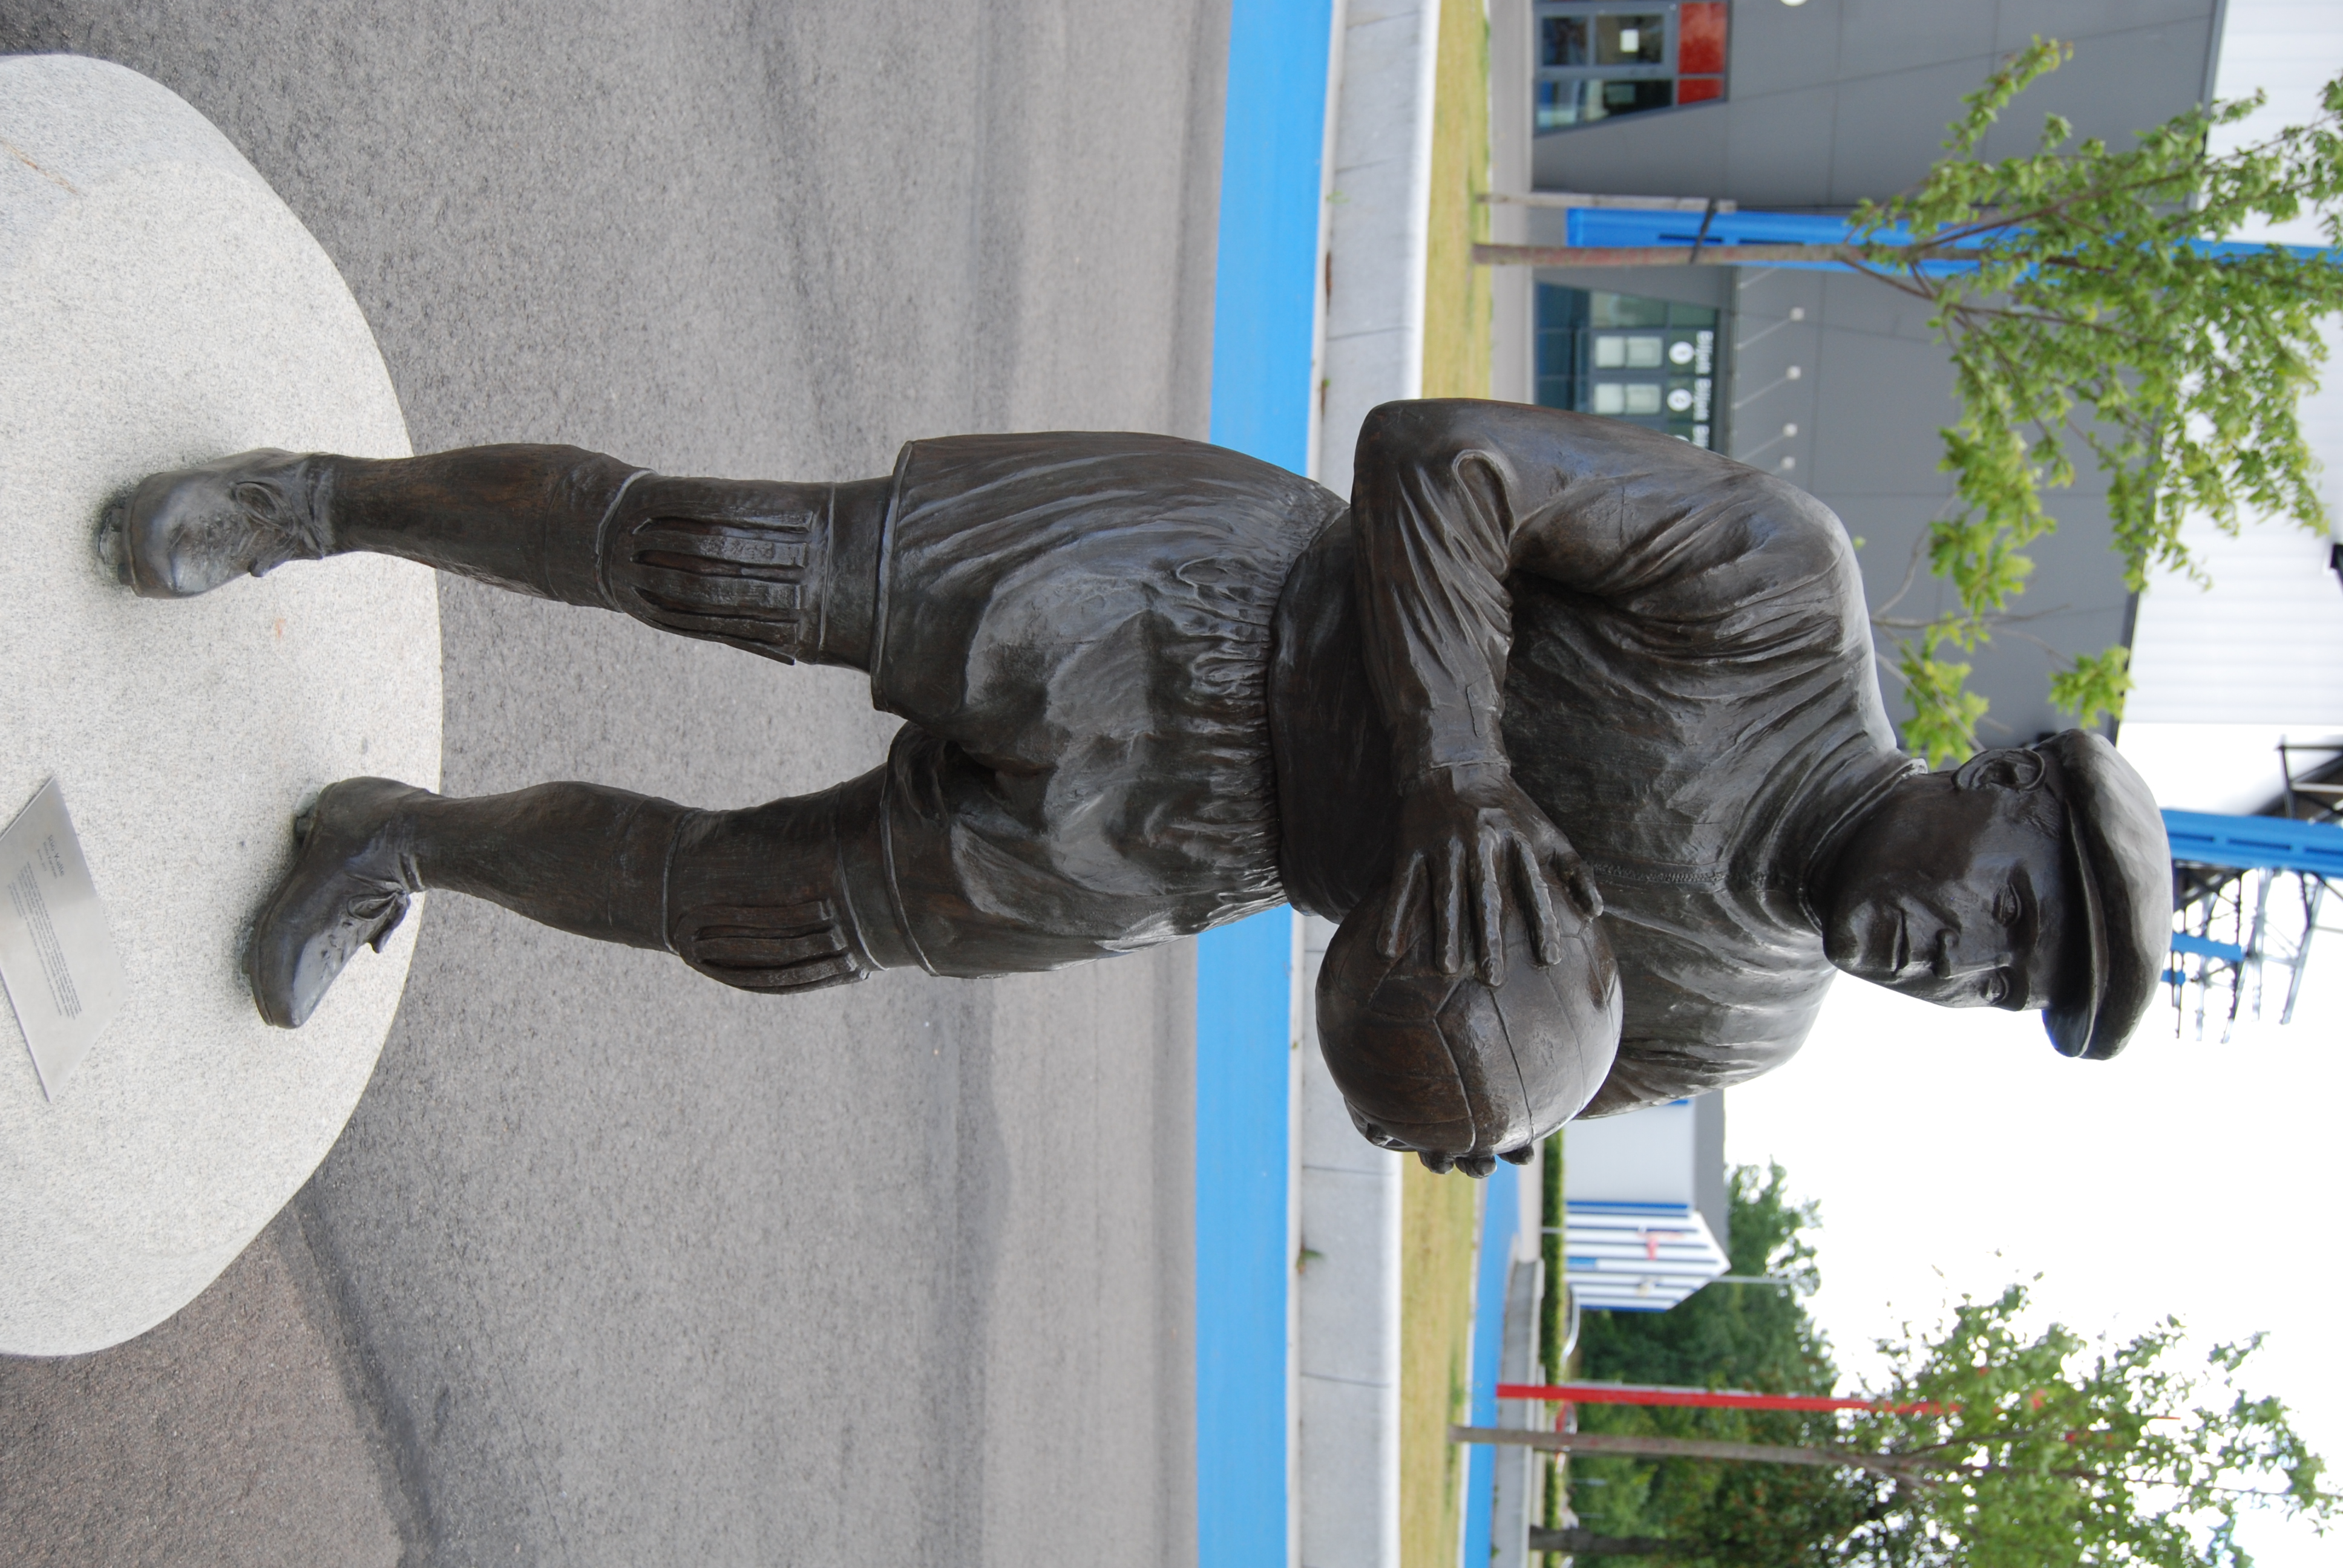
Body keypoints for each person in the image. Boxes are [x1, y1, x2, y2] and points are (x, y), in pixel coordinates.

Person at [112, 399, 2171, 1162]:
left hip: (1199, 842)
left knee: (756, 924)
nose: (1960, 956)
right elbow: (1433, 461)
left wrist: (1453, 1108)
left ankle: (404, 842)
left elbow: (1524, 1081)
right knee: (714, 561)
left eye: (2004, 987)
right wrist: (1457, 774)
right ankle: (321, 501)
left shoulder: (1754, 1017)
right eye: (2011, 906)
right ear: (2000, 776)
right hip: (1203, 598)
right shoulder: (1780, 597)